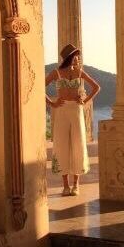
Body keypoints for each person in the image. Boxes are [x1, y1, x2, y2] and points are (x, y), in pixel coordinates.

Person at [46, 43, 100, 196]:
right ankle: (65, 186)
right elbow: (39, 86)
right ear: (70, 57)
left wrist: (85, 100)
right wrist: (51, 102)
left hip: (76, 110)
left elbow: (96, 87)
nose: (78, 58)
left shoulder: (80, 72)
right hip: (61, 111)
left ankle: (76, 184)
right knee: (62, 145)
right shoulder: (56, 72)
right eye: (76, 55)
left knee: (78, 143)